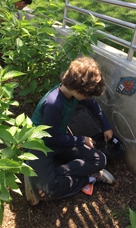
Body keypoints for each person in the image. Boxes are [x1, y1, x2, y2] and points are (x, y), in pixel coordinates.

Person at [24, 56, 115, 205]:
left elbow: (92, 105)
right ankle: (87, 178)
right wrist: (81, 140)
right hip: (41, 144)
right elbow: (51, 138)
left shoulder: (73, 92)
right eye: (86, 94)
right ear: (78, 89)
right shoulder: (53, 104)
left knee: (100, 159)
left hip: (59, 139)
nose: (87, 97)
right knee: (46, 193)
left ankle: (46, 176)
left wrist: (106, 125)